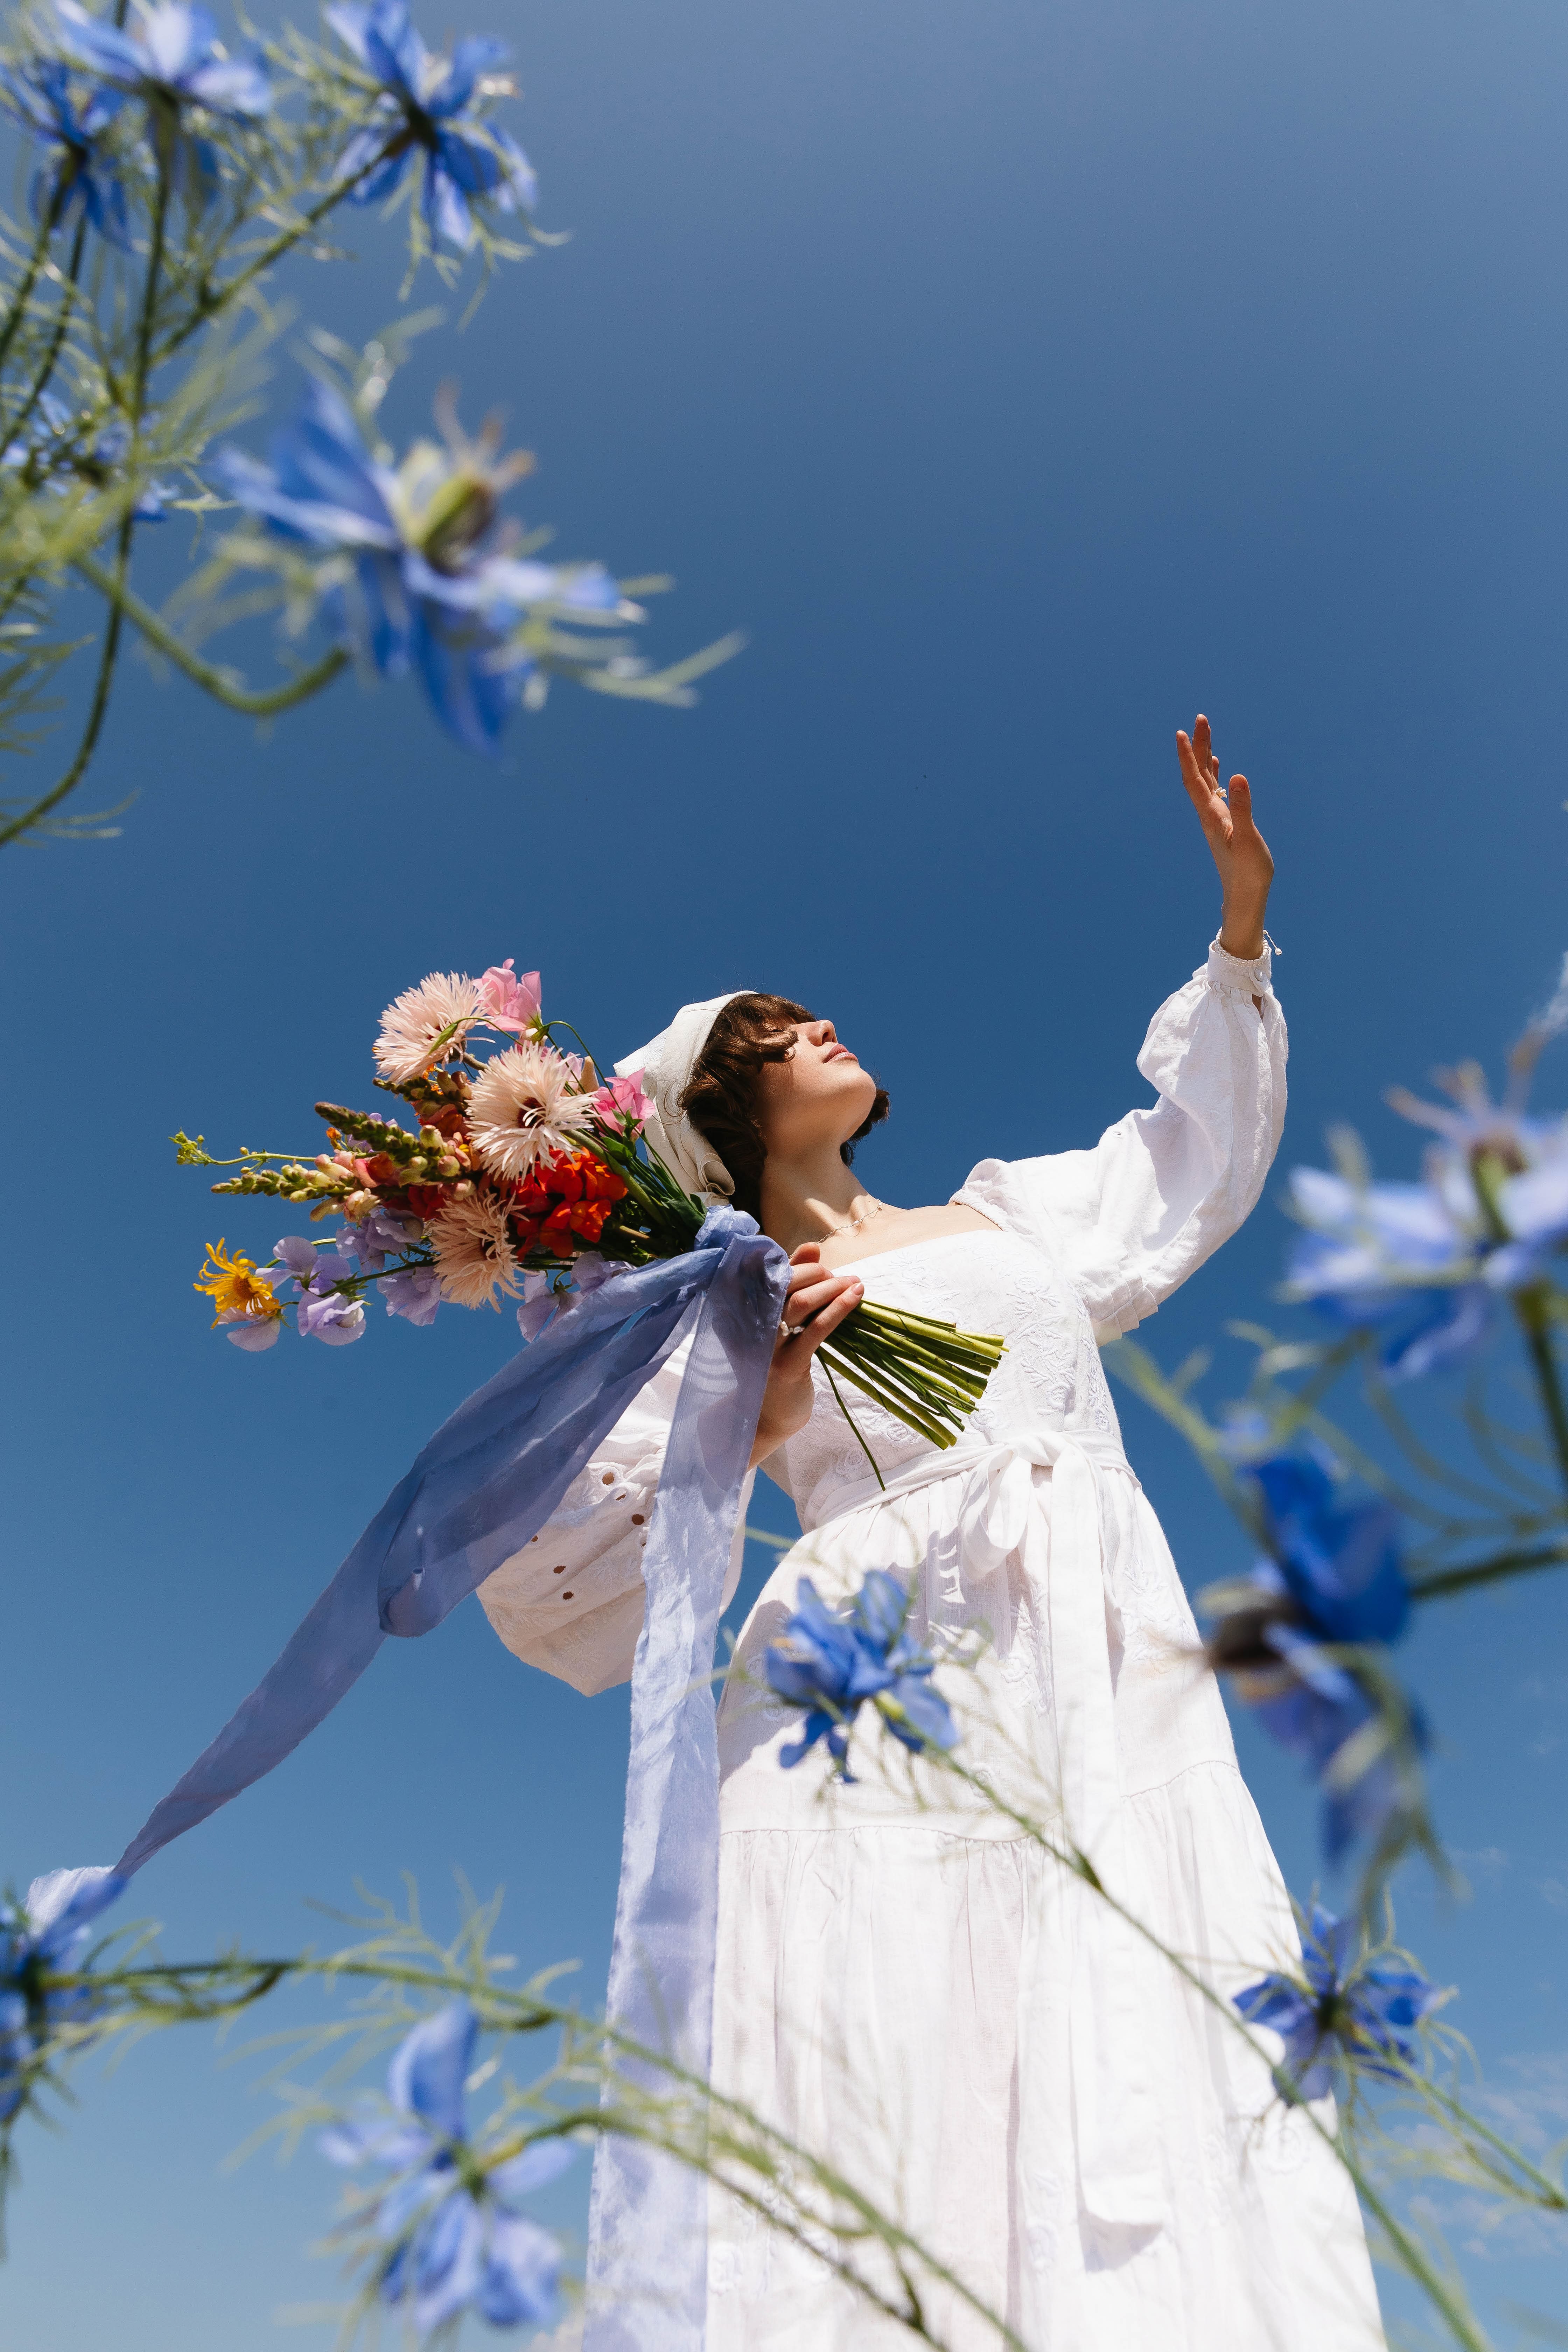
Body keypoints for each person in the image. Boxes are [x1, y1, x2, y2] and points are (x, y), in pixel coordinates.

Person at [477, 717, 1385, 2350]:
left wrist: (1240, 930)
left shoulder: (1011, 1214)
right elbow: (559, 1585)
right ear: (722, 1111)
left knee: (1133, 1977)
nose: (813, 1025)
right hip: (862, 1682)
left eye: (802, 1011)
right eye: (769, 1036)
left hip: (1086, 1650)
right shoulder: (723, 1304)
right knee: (882, 2025)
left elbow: (1184, 1164)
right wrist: (764, 1411)